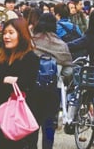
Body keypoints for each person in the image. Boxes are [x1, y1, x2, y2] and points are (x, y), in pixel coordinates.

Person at [0, 18, 39, 149]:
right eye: (4, 33)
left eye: (11, 33)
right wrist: (4, 80)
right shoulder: (1, 58)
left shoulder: (30, 58)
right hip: (1, 112)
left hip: (19, 115)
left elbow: (24, 84)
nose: (6, 36)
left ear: (21, 34)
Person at [30, 13, 74, 149]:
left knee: (32, 121)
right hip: (53, 89)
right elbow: (69, 71)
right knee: (49, 123)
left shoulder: (31, 42)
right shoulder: (60, 45)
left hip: (32, 88)